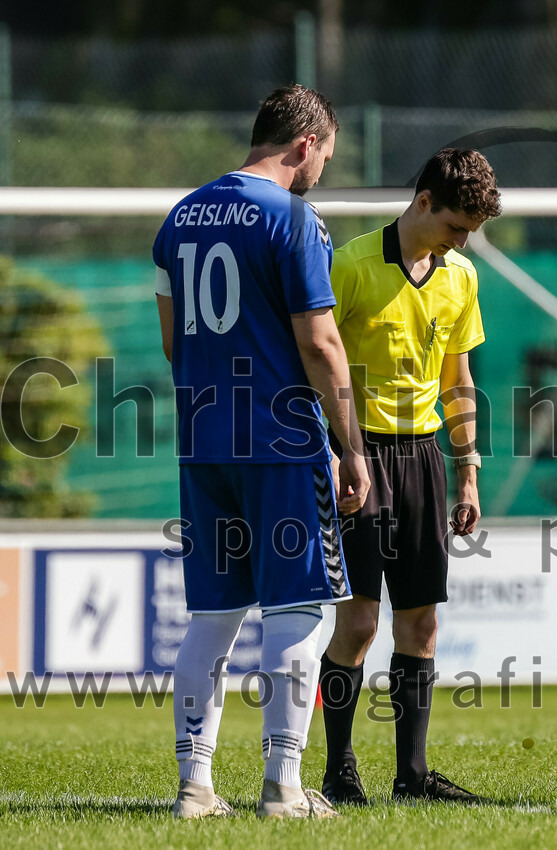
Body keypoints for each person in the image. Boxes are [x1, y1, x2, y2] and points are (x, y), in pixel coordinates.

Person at [153, 84, 370, 820]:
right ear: (305, 143)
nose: (322, 173)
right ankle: (282, 786)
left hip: (203, 438)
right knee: (299, 608)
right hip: (280, 441)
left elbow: (169, 339)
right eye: (325, 158)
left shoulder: (178, 217)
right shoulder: (294, 219)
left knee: (212, 617)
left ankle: (194, 786)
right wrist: (352, 447)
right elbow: (320, 342)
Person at [317, 148, 502, 806]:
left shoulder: (461, 278)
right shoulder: (351, 266)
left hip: (424, 459)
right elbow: (313, 363)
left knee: (420, 625)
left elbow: (459, 382)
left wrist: (469, 473)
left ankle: (413, 776)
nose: (462, 241)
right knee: (361, 622)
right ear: (424, 201)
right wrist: (338, 451)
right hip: (357, 456)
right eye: (456, 226)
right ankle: (339, 770)